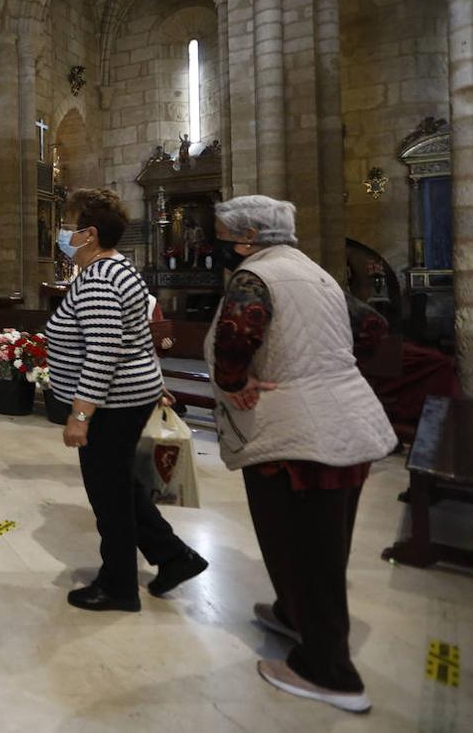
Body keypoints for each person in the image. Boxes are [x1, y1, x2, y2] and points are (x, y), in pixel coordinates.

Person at [207, 195, 395, 714]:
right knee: (316, 540)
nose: (222, 245)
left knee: (305, 546)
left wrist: (235, 380)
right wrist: (330, 372)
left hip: (299, 438)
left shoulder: (254, 278)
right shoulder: (315, 273)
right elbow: (373, 327)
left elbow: (235, 335)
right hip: (346, 422)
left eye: (226, 235)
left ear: (247, 238)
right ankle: (294, 614)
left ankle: (329, 670)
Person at [45, 188, 207, 611]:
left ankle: (118, 585)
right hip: (126, 398)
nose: (64, 233)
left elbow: (103, 352)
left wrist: (80, 414)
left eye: (70, 226)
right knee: (122, 487)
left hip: (110, 405)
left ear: (90, 234)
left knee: (109, 495)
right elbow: (131, 341)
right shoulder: (118, 269)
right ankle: (175, 557)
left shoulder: (99, 280)